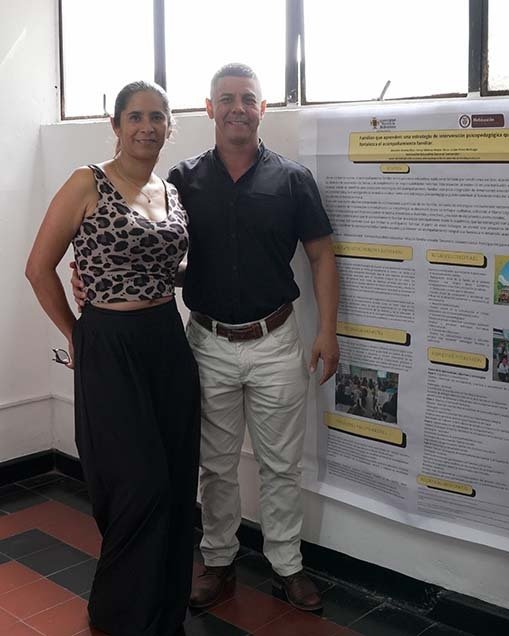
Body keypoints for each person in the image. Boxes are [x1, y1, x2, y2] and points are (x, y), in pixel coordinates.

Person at [27, 81, 199, 636]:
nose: (147, 126)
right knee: (136, 485)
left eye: (157, 116)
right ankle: (122, 614)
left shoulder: (171, 192)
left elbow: (168, 269)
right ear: (116, 123)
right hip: (109, 341)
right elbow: (38, 267)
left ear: (170, 125)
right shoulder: (87, 182)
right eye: (135, 116)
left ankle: (162, 608)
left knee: (173, 480)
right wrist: (78, 332)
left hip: (166, 341)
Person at [166, 63, 339, 612]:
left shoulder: (293, 179)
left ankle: (286, 565)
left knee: (281, 465)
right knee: (214, 464)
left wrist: (328, 331)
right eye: (226, 98)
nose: (237, 107)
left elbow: (321, 256)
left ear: (263, 108)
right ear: (209, 108)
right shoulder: (181, 180)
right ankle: (218, 561)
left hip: (276, 340)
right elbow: (156, 253)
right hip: (207, 341)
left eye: (248, 98)